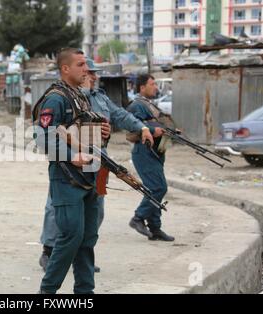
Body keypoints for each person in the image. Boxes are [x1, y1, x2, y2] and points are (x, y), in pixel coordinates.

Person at [38, 58, 154, 272]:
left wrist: (141, 127)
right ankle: (49, 250)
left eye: (93, 72)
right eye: (88, 71)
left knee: (96, 206)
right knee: (57, 206)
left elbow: (119, 115)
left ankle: (82, 254)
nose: (92, 76)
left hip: (99, 159)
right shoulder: (62, 97)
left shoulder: (100, 97)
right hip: (69, 160)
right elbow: (49, 132)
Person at [33, 48, 108, 294]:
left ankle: (85, 293)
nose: (86, 69)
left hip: (88, 177)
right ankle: (47, 293)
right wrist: (71, 156)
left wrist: (102, 134)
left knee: (87, 240)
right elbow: (43, 138)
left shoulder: (80, 96)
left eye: (86, 64)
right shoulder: (56, 98)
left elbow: (80, 132)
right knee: (70, 239)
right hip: (66, 179)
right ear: (65, 69)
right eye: (80, 65)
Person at [126, 74, 175, 242]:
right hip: (144, 151)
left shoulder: (150, 104)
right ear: (142, 87)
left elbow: (156, 123)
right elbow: (134, 127)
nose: (156, 87)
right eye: (152, 84)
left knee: (155, 188)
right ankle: (138, 218)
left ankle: (155, 228)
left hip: (155, 151)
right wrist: (155, 131)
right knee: (158, 188)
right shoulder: (137, 105)